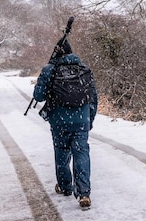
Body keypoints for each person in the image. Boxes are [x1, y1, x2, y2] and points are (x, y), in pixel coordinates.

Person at [33, 38, 98, 208]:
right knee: (81, 153)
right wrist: (89, 119)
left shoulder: (50, 70)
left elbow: (38, 96)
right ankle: (84, 192)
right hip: (81, 120)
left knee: (62, 153)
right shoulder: (84, 69)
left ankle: (65, 186)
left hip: (59, 121)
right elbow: (93, 97)